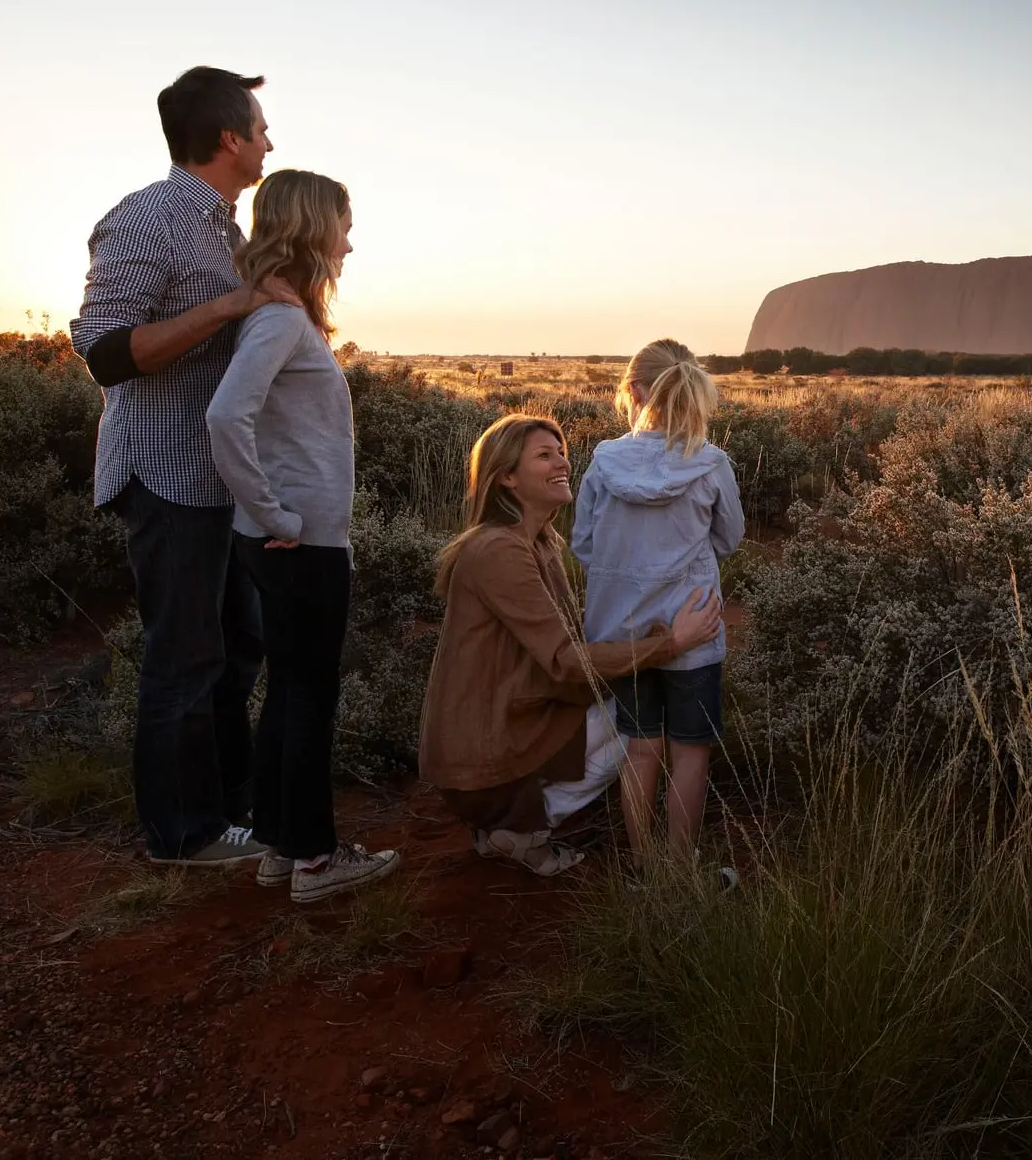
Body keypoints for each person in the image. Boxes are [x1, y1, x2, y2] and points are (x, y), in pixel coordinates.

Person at [69, 67, 295, 865]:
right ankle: (181, 836)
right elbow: (103, 353)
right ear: (229, 137)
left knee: (236, 649)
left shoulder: (228, 231)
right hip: (164, 475)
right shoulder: (148, 219)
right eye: (261, 126)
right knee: (186, 656)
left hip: (218, 479)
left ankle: (226, 813)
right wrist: (230, 306)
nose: (270, 138)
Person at [205, 169, 400, 903]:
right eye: (343, 224)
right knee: (309, 693)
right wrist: (276, 513)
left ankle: (281, 847)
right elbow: (227, 417)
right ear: (315, 228)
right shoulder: (282, 320)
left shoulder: (283, 315)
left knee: (290, 689)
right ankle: (317, 858)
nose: (350, 241)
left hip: (287, 537)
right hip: (299, 542)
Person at [418, 415, 721, 877]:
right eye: (544, 455)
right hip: (485, 752)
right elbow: (565, 659)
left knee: (630, 707)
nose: (562, 462)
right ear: (506, 477)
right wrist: (670, 643)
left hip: (502, 728)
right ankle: (521, 829)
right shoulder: (498, 550)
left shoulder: (538, 541)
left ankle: (504, 826)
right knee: (635, 722)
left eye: (561, 451)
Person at [572, 340, 745, 863]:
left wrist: (628, 576)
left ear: (635, 390)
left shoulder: (603, 463)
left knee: (640, 750)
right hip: (694, 628)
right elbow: (730, 538)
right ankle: (678, 871)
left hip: (622, 636)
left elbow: (583, 544)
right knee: (690, 753)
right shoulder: (711, 464)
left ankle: (644, 866)